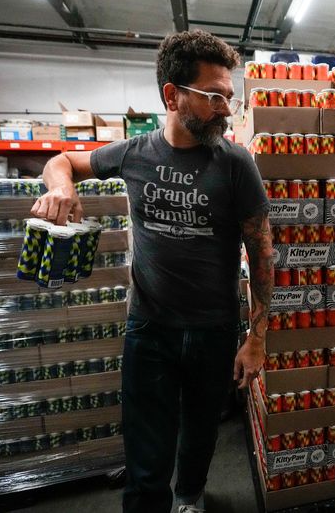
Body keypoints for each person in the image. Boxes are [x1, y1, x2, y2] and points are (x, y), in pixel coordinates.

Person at [31, 30, 273, 513]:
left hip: (213, 329)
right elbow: (61, 161)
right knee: (146, 447)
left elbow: (262, 251)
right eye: (213, 96)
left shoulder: (235, 164)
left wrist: (257, 337)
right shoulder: (133, 154)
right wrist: (61, 188)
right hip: (150, 328)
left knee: (201, 433)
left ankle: (189, 497)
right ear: (172, 94)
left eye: (230, 96)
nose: (226, 108)